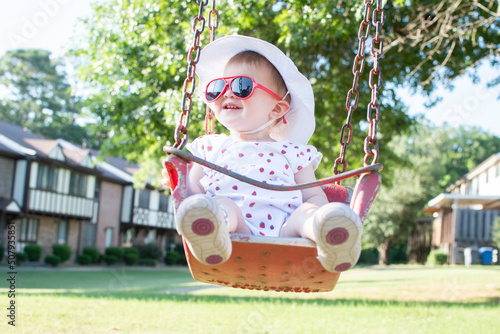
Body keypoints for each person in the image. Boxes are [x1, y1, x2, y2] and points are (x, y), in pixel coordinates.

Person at [162, 35, 362, 273]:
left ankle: (329, 235)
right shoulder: (210, 147)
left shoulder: (294, 152)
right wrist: (179, 185)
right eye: (218, 87)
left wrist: (317, 211)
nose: (227, 93)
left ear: (277, 108)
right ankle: (210, 235)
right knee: (219, 205)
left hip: (285, 232)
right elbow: (195, 192)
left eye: (241, 86)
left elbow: (312, 196)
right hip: (236, 231)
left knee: (307, 214)